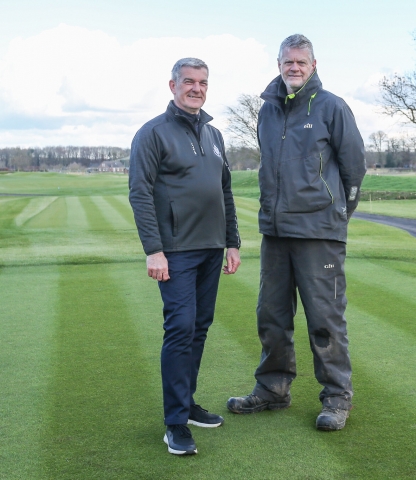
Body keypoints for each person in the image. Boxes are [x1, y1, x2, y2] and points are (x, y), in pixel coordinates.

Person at [227, 34, 365, 431]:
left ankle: (337, 398)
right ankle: (272, 389)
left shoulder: (332, 107)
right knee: (270, 315)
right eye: (288, 61)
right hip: (275, 232)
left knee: (325, 319)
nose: (295, 67)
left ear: (313, 65)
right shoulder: (267, 111)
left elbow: (354, 168)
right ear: (279, 64)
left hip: (319, 231)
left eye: (302, 62)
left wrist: (336, 214)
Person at [129, 57, 241, 455]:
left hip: (212, 248)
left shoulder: (214, 134)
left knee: (199, 327)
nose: (197, 88)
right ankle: (175, 423)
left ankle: (188, 404)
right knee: (180, 328)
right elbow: (140, 193)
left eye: (203, 82)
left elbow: (223, 191)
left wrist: (232, 242)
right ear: (173, 85)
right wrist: (153, 250)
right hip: (174, 251)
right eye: (189, 82)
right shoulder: (152, 133)